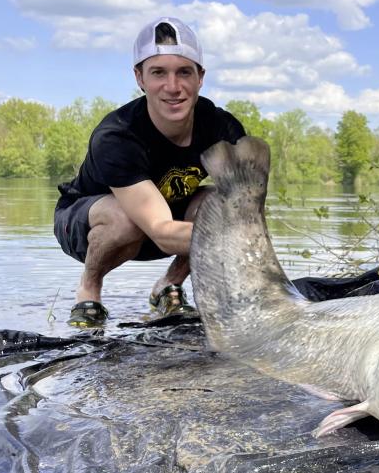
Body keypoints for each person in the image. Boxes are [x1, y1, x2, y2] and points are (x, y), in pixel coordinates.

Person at [53, 17, 246, 328]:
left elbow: (245, 203)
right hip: (90, 224)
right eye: (158, 73)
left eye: (184, 72)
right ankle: (89, 290)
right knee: (125, 219)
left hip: (169, 220)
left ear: (200, 77)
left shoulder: (221, 128)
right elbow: (161, 231)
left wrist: (241, 226)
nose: (173, 87)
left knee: (223, 205)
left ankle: (168, 286)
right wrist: (243, 243)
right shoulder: (117, 136)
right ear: (139, 78)